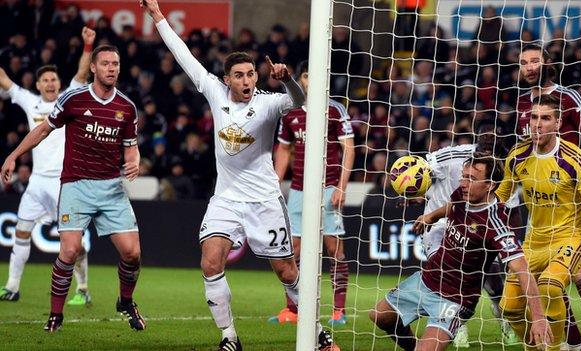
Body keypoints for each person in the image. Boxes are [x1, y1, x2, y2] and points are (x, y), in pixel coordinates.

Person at [141, 1, 338, 350]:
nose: (247, 80)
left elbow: (299, 100)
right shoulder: (215, 92)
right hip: (227, 198)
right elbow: (184, 55)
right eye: (239, 75)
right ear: (226, 79)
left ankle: (317, 330)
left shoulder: (268, 102)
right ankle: (229, 337)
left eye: (250, 74)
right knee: (210, 260)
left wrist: (288, 79)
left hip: (264, 200)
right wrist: (158, 17)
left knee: (287, 273)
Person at [1, 44, 145, 333]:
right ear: (93, 67)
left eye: (115, 64)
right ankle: (55, 313)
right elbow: (43, 130)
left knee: (132, 254)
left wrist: (134, 163)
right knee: (69, 250)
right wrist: (13, 155)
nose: (111, 69)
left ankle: (125, 300)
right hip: (75, 185)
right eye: (105, 64)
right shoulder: (73, 99)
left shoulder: (126, 108)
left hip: (111, 188)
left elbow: (131, 149)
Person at [370, 153, 552, 351]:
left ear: (490, 185)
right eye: (464, 176)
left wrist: (539, 319)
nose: (463, 183)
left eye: (472, 178)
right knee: (379, 315)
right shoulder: (462, 194)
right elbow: (452, 206)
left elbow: (523, 270)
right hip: (427, 280)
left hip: (455, 299)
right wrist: (430, 216)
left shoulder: (495, 224)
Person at [515, 44, 581, 350]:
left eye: (534, 61)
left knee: (579, 268)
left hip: (572, 196)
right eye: (523, 63)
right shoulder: (521, 103)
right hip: (541, 200)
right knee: (546, 273)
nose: (529, 67)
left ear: (546, 63)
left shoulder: (567, 97)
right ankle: (575, 341)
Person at [0, 27, 95, 304]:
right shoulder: (30, 102)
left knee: (72, 241)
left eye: (54, 79)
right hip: (37, 183)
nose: (51, 84)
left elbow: (82, 73)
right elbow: (5, 80)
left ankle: (83, 290)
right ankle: (12, 286)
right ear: (38, 85)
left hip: (64, 182)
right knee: (21, 231)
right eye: (46, 80)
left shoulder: (69, 97)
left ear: (58, 82)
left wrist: (88, 46)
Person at [418, 120, 517, 348]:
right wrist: (413, 190)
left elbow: (511, 209)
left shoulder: (502, 171)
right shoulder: (453, 155)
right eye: (486, 136)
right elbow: (422, 169)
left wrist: (508, 244)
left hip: (476, 232)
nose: (490, 139)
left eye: (496, 136)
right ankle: (456, 326)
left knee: (494, 284)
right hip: (440, 228)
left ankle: (504, 320)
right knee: (443, 275)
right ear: (477, 137)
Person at [270, 60, 355, 326]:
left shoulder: (334, 109)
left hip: (328, 187)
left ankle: (338, 310)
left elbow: (348, 148)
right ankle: (293, 308)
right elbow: (283, 148)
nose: (309, 79)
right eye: (305, 75)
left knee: (334, 248)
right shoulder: (290, 111)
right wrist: (275, 182)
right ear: (300, 79)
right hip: (298, 190)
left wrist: (341, 186)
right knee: (292, 250)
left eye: (313, 74)